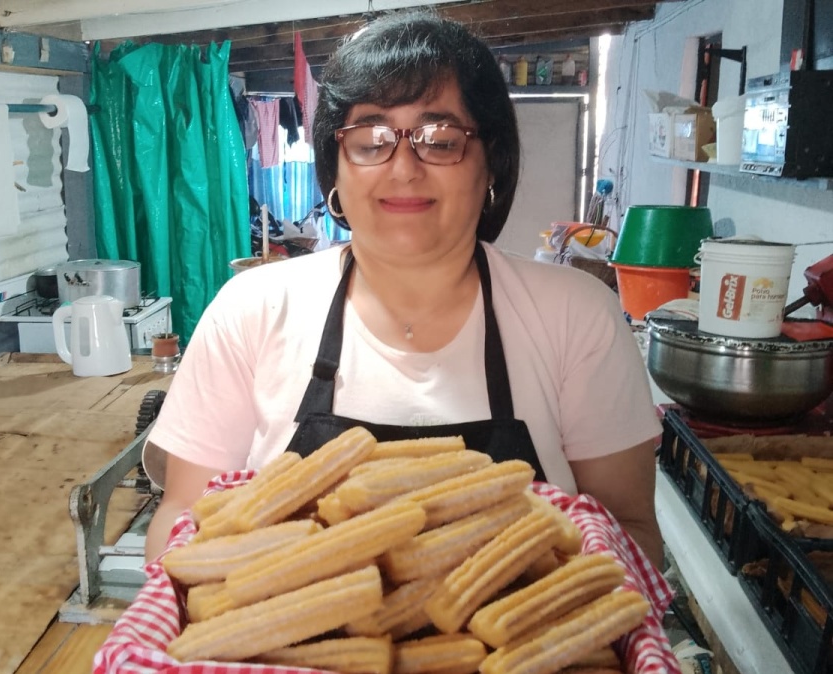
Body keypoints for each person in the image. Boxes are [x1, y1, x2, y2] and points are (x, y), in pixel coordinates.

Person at [143, 10, 664, 566]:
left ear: (492, 166)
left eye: (440, 140)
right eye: (370, 139)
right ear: (334, 171)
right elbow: (183, 518)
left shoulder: (577, 316)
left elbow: (630, 527)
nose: (404, 168)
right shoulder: (251, 310)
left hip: (525, 649)